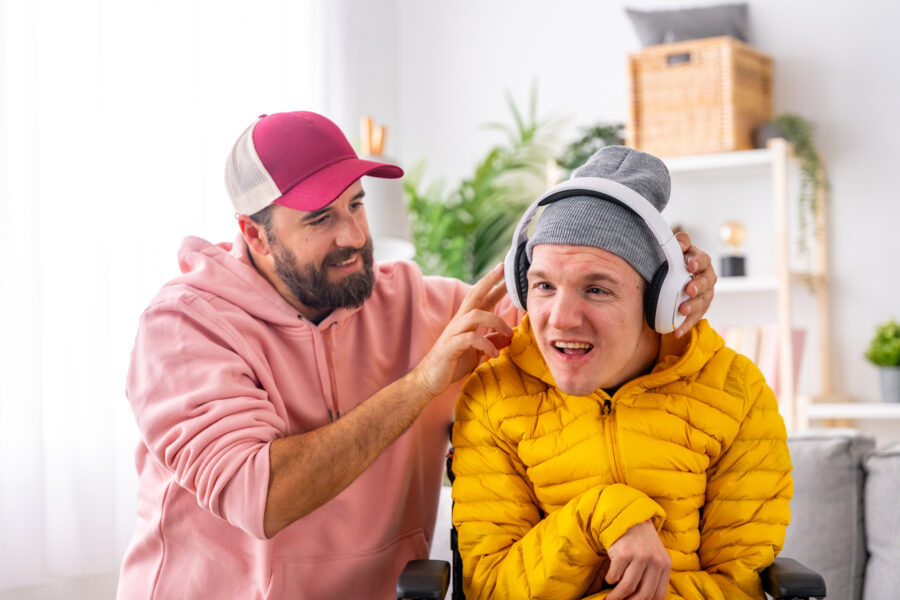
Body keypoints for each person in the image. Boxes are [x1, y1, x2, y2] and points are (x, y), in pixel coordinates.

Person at [116, 112, 718, 599]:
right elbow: (259, 497)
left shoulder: (414, 302)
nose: (352, 236)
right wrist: (422, 384)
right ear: (255, 235)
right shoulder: (183, 327)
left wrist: (666, 287)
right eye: (320, 219)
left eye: (355, 205)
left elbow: (567, 323)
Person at [451, 146, 792, 600]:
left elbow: (737, 587)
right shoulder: (492, 399)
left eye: (596, 288)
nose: (561, 318)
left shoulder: (737, 395)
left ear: (660, 301)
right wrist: (600, 516)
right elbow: (490, 590)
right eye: (544, 286)